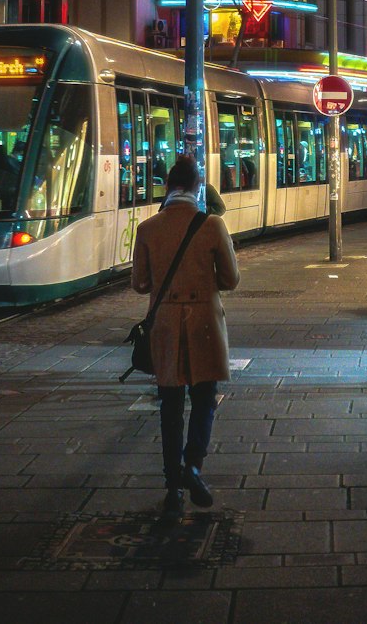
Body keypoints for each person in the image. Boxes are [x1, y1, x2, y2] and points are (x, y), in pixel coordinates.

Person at [131, 154, 240, 521]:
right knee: (205, 398)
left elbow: (139, 284)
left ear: (167, 186)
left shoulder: (147, 229)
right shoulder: (211, 225)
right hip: (204, 324)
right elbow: (230, 280)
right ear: (197, 187)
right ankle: (193, 465)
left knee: (170, 407)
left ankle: (173, 488)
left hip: (165, 326)